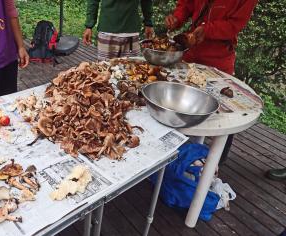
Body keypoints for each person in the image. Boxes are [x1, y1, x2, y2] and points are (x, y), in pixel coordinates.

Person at [165, 0, 258, 161]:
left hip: (219, 60)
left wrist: (207, 30)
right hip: (190, 54)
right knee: (181, 106)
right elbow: (186, 4)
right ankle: (175, 156)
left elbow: (234, 25)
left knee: (222, 116)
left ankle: (216, 162)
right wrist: (176, 18)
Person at [83, 0, 154, 61]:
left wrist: (148, 23)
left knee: (133, 73)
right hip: (108, 33)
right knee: (104, 72)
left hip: (130, 35)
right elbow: (93, 1)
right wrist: (89, 26)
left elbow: (146, 1)